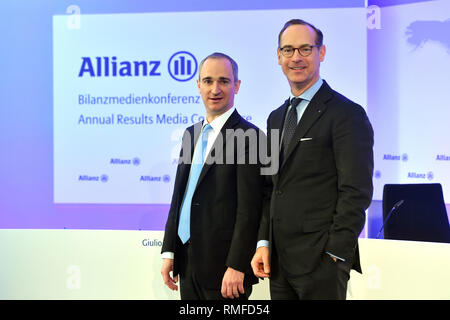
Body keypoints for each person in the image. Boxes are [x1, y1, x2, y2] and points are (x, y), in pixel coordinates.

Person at [251, 19, 374, 300]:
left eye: (305, 49)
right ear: (278, 56)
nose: (296, 57)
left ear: (322, 53)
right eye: (288, 50)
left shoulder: (346, 114)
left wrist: (334, 254)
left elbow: (356, 192)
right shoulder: (275, 118)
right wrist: (263, 242)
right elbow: (270, 189)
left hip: (322, 263)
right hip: (279, 263)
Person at [161, 52, 265, 300]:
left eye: (224, 81)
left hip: (226, 271)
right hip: (187, 263)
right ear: (198, 85)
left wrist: (238, 264)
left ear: (237, 86)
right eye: (208, 81)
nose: (215, 89)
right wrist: (169, 252)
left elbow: (251, 209)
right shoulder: (190, 134)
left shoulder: (253, 137)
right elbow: (179, 198)